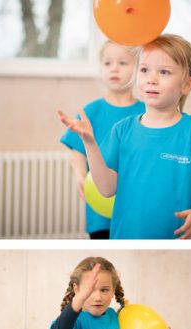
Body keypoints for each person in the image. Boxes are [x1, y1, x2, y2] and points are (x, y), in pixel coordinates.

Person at [59, 35, 191, 239]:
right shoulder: (121, 130)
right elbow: (106, 189)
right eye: (144, 70)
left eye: (164, 72)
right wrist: (89, 142)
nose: (152, 79)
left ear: (187, 84)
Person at [60, 41, 144, 239]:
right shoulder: (90, 112)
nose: (114, 68)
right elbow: (77, 153)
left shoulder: (147, 112)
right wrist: (80, 176)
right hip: (100, 209)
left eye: (123, 63)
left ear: (139, 68)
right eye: (107, 63)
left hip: (137, 207)